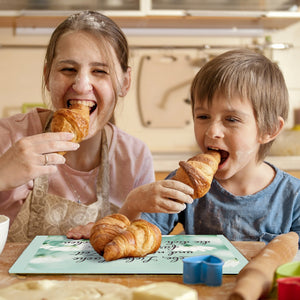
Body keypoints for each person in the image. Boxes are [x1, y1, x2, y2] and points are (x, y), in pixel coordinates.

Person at [0, 10, 155, 242]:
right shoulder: (9, 138)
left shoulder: (134, 157)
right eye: (68, 69)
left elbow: (143, 243)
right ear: (46, 76)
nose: (82, 86)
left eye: (100, 71)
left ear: (125, 82)